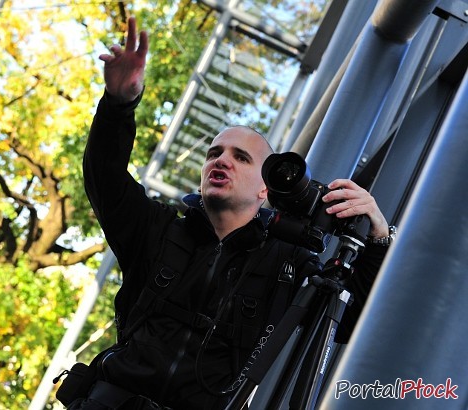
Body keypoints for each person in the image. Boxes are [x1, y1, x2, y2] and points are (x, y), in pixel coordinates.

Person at [59, 17, 392, 410]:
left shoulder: (290, 268)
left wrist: (378, 238)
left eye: (241, 157)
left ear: (265, 189)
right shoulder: (158, 229)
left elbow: (356, 322)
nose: (221, 161)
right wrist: (118, 106)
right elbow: (105, 177)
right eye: (213, 153)